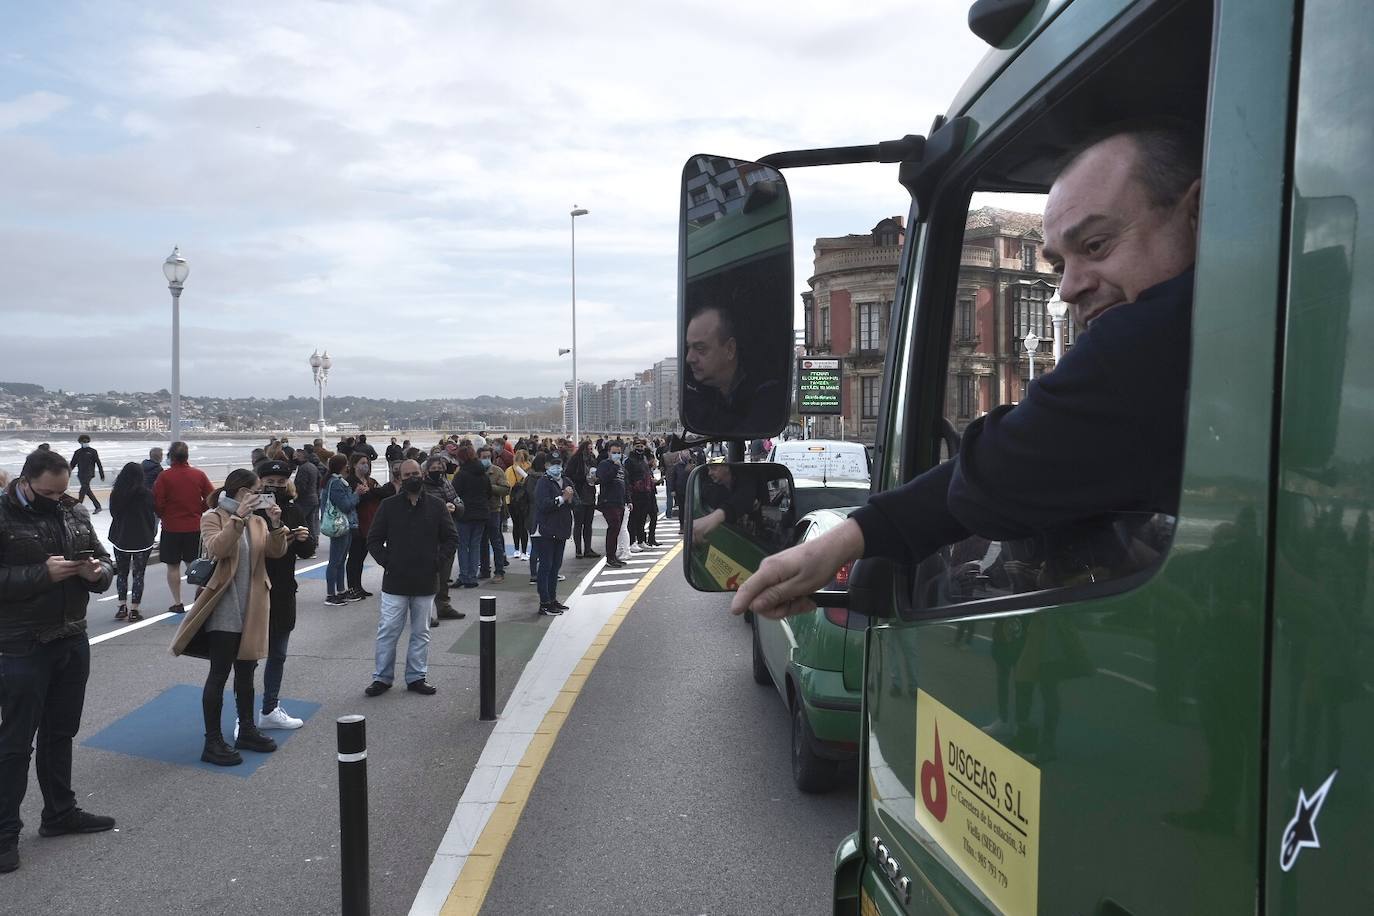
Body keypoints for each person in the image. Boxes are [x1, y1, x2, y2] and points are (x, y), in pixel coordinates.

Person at [732, 123, 1202, 620]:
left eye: (1097, 245)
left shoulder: (1162, 330)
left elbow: (997, 473)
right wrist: (849, 538)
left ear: (1196, 215)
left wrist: (846, 539)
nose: (1066, 289)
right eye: (1059, 263)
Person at [0, 450, 116, 873]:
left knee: (60, 733)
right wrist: (41, 575)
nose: (56, 499)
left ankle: (60, 813)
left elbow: (104, 559)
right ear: (26, 481)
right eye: (48, 492)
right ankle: (3, 835)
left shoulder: (71, 509)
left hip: (71, 635)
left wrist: (96, 574)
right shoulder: (4, 514)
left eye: (61, 491)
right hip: (20, 643)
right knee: (14, 743)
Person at [170, 468, 289, 766]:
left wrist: (276, 526)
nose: (261, 495)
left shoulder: (259, 521)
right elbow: (217, 548)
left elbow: (275, 553)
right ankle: (212, 742)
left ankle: (246, 729)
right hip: (225, 605)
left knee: (247, 672)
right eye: (257, 490)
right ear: (241, 492)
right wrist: (238, 518)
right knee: (220, 672)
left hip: (254, 604)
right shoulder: (213, 516)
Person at [364, 459, 458, 697]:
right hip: (395, 582)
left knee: (421, 632)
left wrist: (437, 562)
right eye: (406, 475)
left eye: (415, 473)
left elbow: (451, 538)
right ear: (400, 477)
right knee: (388, 631)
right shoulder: (388, 506)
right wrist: (389, 561)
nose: (411, 478)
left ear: (423, 474)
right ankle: (382, 678)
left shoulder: (437, 506)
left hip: (426, 581)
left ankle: (417, 676)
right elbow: (373, 539)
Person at [254, 460, 312, 731]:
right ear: (259, 481)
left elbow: (307, 550)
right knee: (247, 658)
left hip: (284, 589)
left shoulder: (293, 509)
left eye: (280, 482)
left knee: (278, 653)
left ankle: (269, 708)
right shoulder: (250, 511)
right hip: (254, 591)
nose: (275, 487)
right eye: (269, 482)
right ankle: (244, 718)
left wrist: (302, 538)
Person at [682, 305, 781, 434]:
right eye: (689, 347)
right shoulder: (700, 395)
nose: (689, 358)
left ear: (730, 349)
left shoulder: (766, 398)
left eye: (700, 348)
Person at [152, 441, 214, 614]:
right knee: (194, 564)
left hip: (171, 527)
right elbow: (211, 497)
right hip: (193, 526)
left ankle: (177, 602)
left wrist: (164, 513)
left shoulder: (164, 476)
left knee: (172, 566)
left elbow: (158, 501)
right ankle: (199, 599)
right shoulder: (198, 474)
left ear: (170, 456)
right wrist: (198, 510)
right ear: (187, 456)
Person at [107, 462, 157, 622]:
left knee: (122, 573)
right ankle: (134, 609)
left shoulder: (116, 493)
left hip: (121, 538)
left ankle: (122, 606)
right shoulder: (147, 494)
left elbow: (114, 514)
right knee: (138, 574)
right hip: (142, 539)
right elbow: (152, 515)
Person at [420, 455, 464, 621]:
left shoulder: (447, 484)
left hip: (447, 533)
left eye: (440, 468)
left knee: (444, 576)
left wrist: (456, 508)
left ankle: (444, 606)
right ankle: (426, 613)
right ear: (426, 471)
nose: (438, 472)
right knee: (429, 577)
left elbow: (460, 503)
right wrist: (441, 509)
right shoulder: (422, 487)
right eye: (434, 469)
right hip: (429, 537)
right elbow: (419, 510)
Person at [531, 454, 574, 616]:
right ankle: (544, 602)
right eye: (553, 464)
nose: (556, 467)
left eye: (559, 463)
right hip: (545, 530)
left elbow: (575, 503)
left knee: (555, 566)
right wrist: (562, 498)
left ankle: (552, 599)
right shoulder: (543, 482)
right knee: (546, 566)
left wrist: (569, 500)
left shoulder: (566, 481)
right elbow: (543, 505)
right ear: (546, 466)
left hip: (561, 529)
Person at [322, 454, 363, 606]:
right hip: (340, 524)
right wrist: (357, 494)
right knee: (336, 560)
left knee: (339, 560)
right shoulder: (337, 483)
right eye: (346, 464)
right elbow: (345, 505)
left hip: (343, 524)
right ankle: (331, 594)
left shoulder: (333, 481)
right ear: (342, 466)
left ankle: (340, 591)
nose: (348, 467)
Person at [343, 453, 383, 602]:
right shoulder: (350, 481)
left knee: (361, 557)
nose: (365, 465)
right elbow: (358, 499)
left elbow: (382, 493)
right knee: (354, 557)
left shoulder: (369, 481)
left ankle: (358, 586)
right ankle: (352, 587)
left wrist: (370, 492)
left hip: (370, 520)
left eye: (366, 463)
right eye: (362, 463)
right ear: (354, 465)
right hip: (357, 522)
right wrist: (366, 494)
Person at [451, 445, 490, 589]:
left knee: (462, 546)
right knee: (475, 545)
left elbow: (454, 493)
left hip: (465, 513)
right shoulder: (482, 473)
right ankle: (472, 576)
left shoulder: (461, 475)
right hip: (481, 512)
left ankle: (464, 575)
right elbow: (488, 492)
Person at [596, 441, 630, 568]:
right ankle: (610, 557)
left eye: (618, 453)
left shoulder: (622, 467)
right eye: (614, 452)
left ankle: (613, 555)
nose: (616, 455)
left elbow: (625, 484)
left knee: (617, 529)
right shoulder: (605, 464)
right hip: (608, 501)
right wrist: (615, 467)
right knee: (613, 526)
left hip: (620, 501)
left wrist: (628, 500)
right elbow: (603, 479)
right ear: (609, 453)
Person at [479, 446, 509, 584]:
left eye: (488, 457)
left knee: (495, 541)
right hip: (479, 510)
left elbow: (506, 489)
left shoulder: (497, 471)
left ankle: (499, 571)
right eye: (483, 457)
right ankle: (484, 570)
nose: (486, 459)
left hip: (493, 510)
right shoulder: (476, 471)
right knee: (482, 542)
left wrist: (490, 488)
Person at [565, 441, 599, 559]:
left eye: (591, 449)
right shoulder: (575, 460)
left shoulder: (592, 460)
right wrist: (583, 478)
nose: (590, 451)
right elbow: (568, 475)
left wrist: (596, 479)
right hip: (579, 494)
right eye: (588, 449)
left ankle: (588, 548)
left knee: (588, 524)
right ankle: (578, 549)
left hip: (590, 493)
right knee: (579, 523)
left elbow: (597, 473)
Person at [626, 440, 655, 552]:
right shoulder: (629, 461)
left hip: (646, 492)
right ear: (633, 447)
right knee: (633, 519)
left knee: (642, 519)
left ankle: (641, 540)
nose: (640, 448)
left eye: (642, 446)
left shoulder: (643, 460)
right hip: (635, 493)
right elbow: (627, 478)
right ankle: (632, 541)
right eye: (637, 446)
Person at [292, 447, 320, 557]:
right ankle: (311, 548)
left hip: (304, 500)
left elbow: (301, 486)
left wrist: (294, 494)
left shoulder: (303, 468)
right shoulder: (313, 466)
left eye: (296, 456)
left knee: (299, 524)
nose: (294, 458)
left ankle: (303, 548)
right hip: (313, 498)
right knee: (310, 525)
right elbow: (318, 481)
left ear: (302, 457)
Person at [506, 448, 533, 561]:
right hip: (525, 502)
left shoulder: (510, 470)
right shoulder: (529, 468)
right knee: (524, 527)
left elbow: (508, 486)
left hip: (512, 502)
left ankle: (516, 550)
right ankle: (524, 552)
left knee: (516, 526)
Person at [68, 435, 105, 514]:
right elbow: (72, 464)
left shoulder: (93, 451)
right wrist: (67, 473)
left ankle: (78, 506)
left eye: (86, 441)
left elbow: (98, 463)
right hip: (80, 474)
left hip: (89, 474)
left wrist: (102, 474)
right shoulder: (77, 452)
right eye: (83, 442)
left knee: (83, 490)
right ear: (80, 442)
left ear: (88, 441)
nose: (85, 443)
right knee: (87, 490)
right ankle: (98, 506)